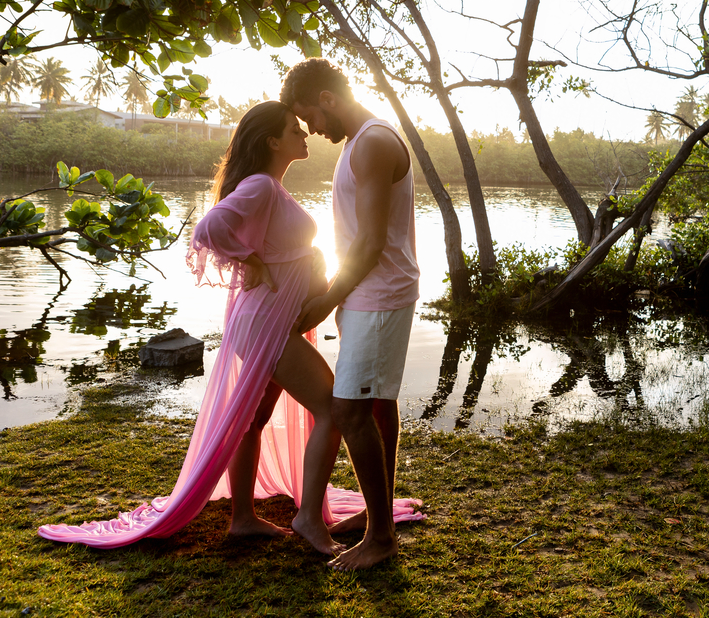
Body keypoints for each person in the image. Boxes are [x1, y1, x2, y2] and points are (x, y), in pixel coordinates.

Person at [38, 102, 423, 550]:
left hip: (269, 320)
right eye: (293, 128)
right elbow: (209, 227)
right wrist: (250, 260)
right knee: (331, 409)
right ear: (272, 141)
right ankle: (307, 521)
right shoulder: (261, 184)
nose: (305, 133)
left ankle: (243, 517)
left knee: (255, 417)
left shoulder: (270, 186)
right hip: (266, 323)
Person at [281, 58, 420, 571]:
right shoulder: (361, 141)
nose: (313, 130)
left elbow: (369, 243)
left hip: (378, 295)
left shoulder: (374, 143)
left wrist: (325, 299)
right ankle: (375, 514)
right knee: (378, 405)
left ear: (327, 99)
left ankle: (381, 539)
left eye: (309, 117)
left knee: (350, 410)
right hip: (372, 293)